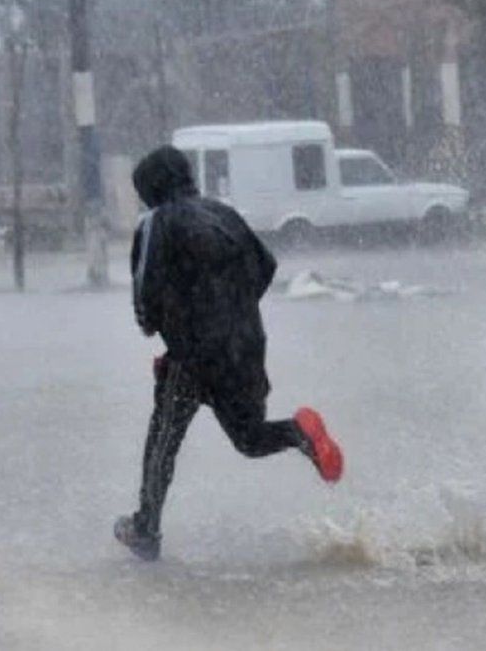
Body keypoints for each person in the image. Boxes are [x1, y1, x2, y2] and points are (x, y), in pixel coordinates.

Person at [115, 145, 342, 561]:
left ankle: (146, 529)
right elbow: (266, 265)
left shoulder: (156, 223)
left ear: (150, 189)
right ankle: (299, 433)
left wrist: (170, 327)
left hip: (192, 356)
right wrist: (230, 315)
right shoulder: (224, 214)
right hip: (244, 347)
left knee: (163, 439)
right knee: (249, 437)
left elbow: (145, 300)